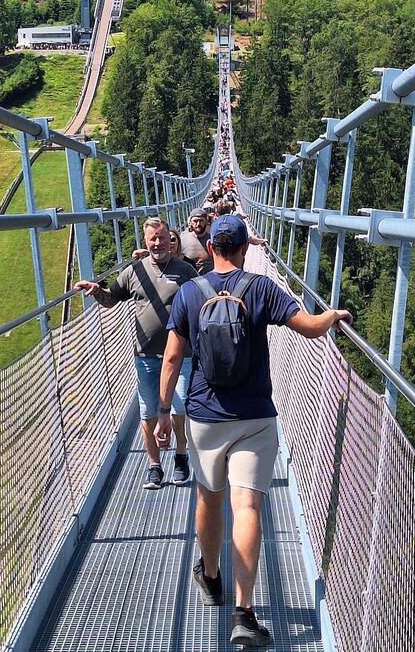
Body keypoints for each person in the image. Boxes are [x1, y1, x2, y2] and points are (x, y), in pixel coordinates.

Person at [154, 215, 353, 647]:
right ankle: (244, 615)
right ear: (245, 248)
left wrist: (166, 413)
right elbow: (311, 328)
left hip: (205, 416)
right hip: (256, 416)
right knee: (247, 508)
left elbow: (171, 360)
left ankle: (210, 577)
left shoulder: (190, 292)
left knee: (209, 496)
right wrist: (333, 315)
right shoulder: (260, 288)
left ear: (209, 249)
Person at [75, 217, 197, 490]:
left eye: (162, 238)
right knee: (148, 411)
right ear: (146, 241)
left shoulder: (185, 270)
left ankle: (180, 455)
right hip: (145, 356)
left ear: (170, 238)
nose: (157, 243)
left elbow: (203, 299)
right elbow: (111, 299)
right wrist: (98, 292)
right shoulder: (135, 271)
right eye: (152, 238)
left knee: (180, 409)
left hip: (180, 355)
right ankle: (154, 466)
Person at [181, 208, 213, 274]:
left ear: (206, 221)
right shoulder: (182, 240)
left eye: (201, 221)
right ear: (190, 222)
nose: (198, 224)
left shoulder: (213, 239)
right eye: (195, 221)